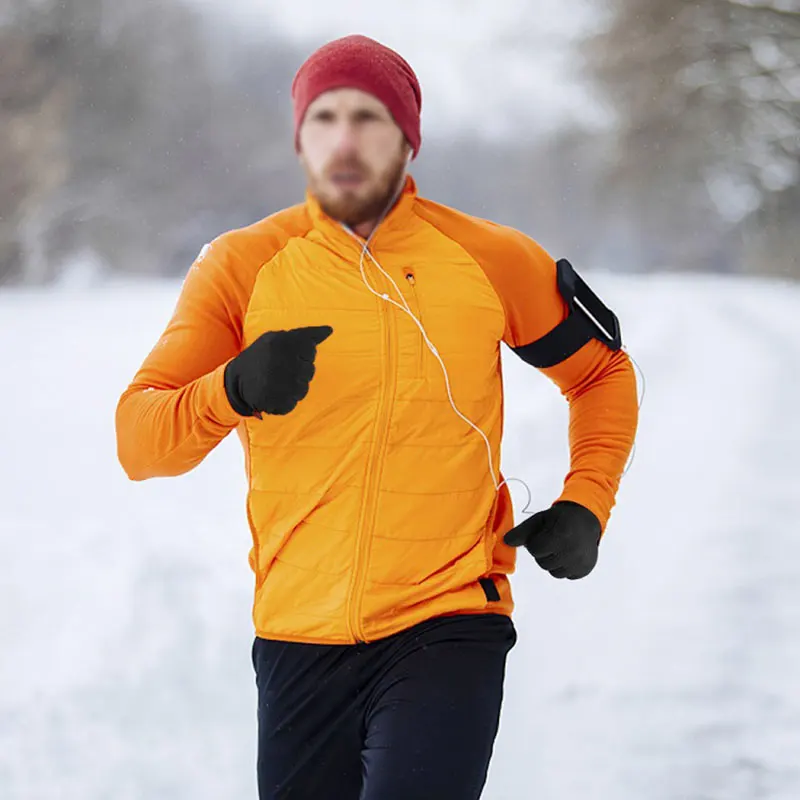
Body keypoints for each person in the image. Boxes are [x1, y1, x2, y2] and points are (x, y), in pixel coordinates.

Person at [115, 34, 639, 800]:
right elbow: (138, 439)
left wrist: (587, 502)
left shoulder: (488, 257)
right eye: (324, 118)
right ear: (300, 138)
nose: (346, 139)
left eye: (370, 118)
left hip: (448, 621)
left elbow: (601, 372)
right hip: (297, 637)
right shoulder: (243, 267)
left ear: (407, 138)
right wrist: (231, 388)